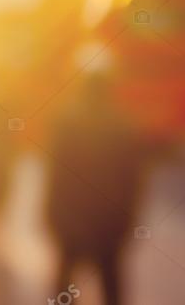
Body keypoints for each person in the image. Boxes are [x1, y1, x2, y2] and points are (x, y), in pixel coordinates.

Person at [44, 46, 145, 305]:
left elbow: (55, 176)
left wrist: (51, 215)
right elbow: (133, 181)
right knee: (111, 283)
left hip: (71, 220)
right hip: (108, 222)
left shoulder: (66, 120)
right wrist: (129, 221)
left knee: (64, 284)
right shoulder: (123, 123)